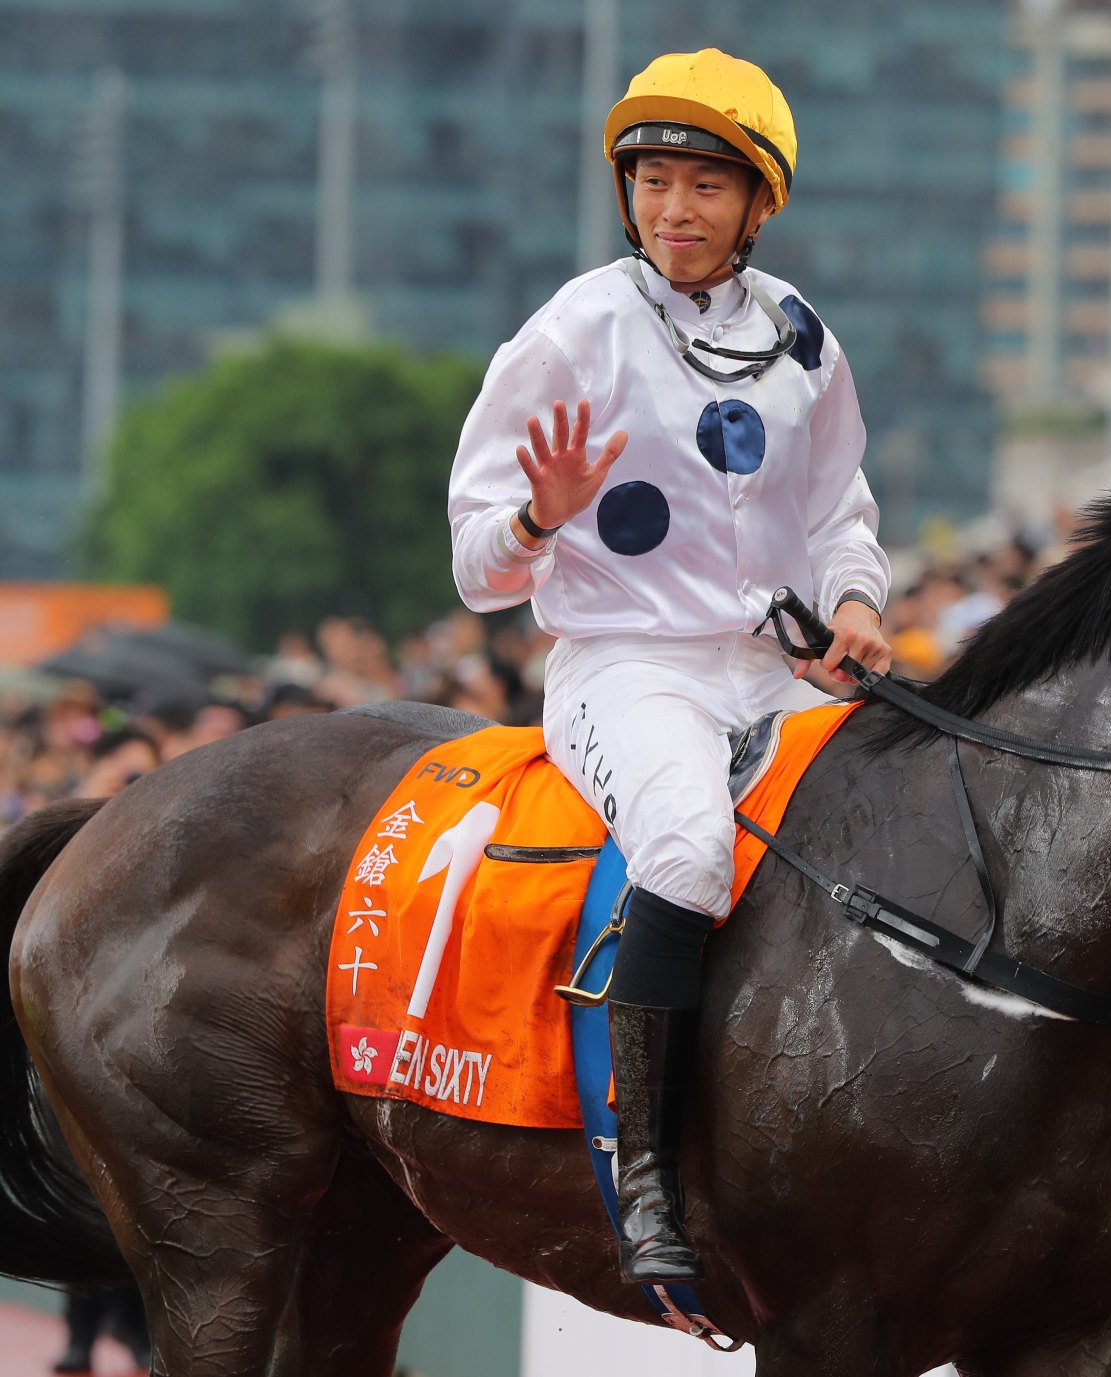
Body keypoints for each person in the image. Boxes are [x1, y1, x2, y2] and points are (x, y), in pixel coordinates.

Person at [447, 48, 894, 1284]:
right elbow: (476, 567)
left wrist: (855, 602)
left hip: (777, 672)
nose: (672, 210)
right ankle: (647, 1174)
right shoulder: (573, 329)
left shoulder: (803, 336)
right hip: (625, 665)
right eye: (650, 181)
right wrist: (540, 519)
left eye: (704, 184)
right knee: (689, 850)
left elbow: (840, 512)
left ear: (759, 204)